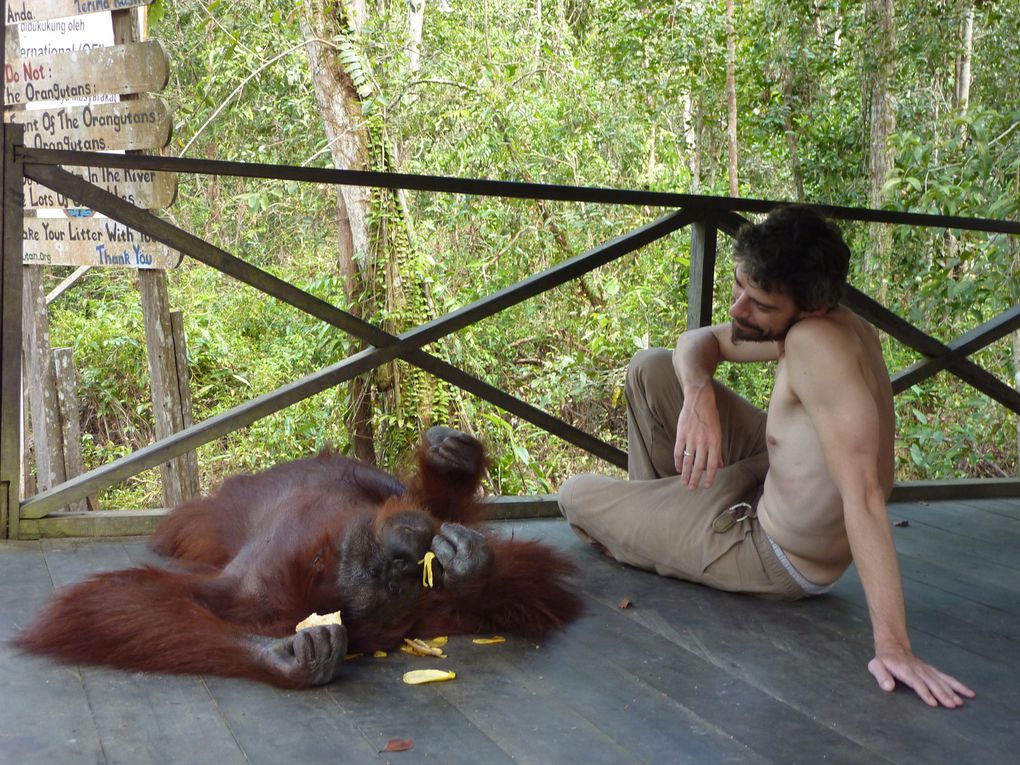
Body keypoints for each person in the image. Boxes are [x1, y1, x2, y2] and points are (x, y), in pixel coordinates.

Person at [558, 205, 975, 708]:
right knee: (652, 368)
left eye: (758, 304)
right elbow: (697, 342)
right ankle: (662, 516)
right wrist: (697, 395)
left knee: (575, 495)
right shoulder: (819, 323)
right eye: (738, 288)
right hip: (765, 476)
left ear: (810, 309)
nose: (738, 310)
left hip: (772, 552)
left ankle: (652, 530)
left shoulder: (818, 347)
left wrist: (895, 649)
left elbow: (864, 498)